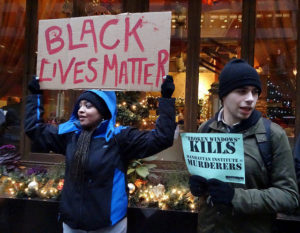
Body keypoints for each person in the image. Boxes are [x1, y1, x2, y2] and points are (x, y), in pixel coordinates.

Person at [25, 75, 176, 233]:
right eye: (80, 105)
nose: (81, 110)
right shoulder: (70, 136)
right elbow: (33, 129)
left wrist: (165, 99)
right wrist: (35, 95)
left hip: (109, 225)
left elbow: (162, 138)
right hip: (73, 224)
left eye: (88, 106)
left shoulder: (120, 138)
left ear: (103, 111)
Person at [189, 59, 299, 233]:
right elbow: (207, 183)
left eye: (255, 92)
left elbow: (289, 196)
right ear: (224, 95)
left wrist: (235, 197)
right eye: (242, 91)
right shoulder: (206, 129)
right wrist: (198, 185)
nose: (250, 99)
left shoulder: (273, 135)